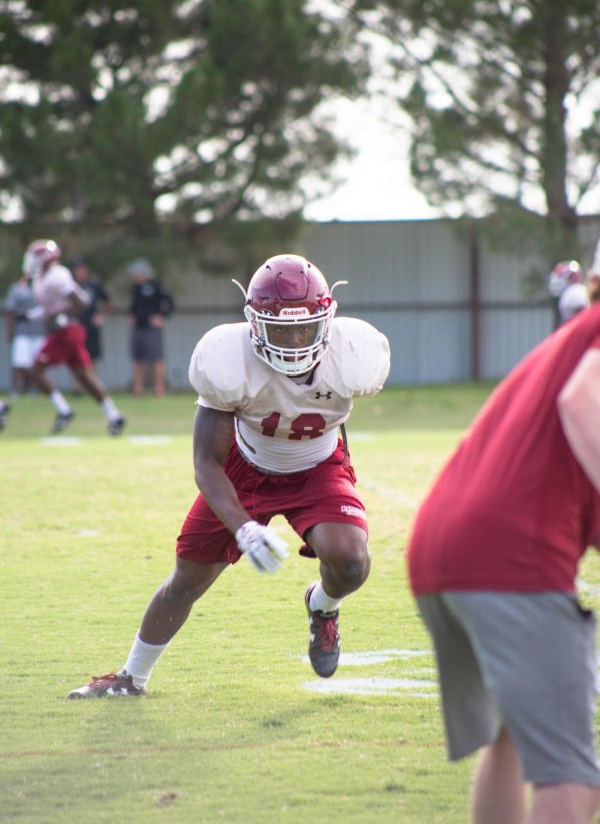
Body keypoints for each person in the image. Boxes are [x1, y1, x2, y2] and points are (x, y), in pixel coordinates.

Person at [67, 253, 391, 699]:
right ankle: (132, 676)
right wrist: (243, 528)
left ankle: (323, 607)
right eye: (280, 329)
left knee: (352, 562)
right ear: (254, 323)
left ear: (327, 321)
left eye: (304, 328)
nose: (295, 341)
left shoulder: (354, 354)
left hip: (318, 466)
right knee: (186, 581)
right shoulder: (227, 358)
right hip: (243, 469)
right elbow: (206, 463)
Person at [406, 300, 600, 823]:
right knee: (571, 774)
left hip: (440, 547)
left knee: (511, 736)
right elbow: (583, 401)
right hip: (509, 558)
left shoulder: (568, 338)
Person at [22, 239, 126, 437]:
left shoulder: (56, 276)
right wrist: (30, 315)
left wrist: (62, 315)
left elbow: (81, 302)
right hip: (66, 331)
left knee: (35, 371)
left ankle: (63, 410)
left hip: (67, 331)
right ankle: (114, 415)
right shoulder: (41, 278)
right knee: (84, 377)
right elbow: (48, 309)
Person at [127, 258, 174, 397]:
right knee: (138, 359)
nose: (135, 277)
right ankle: (138, 389)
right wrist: (131, 316)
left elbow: (170, 303)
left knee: (156, 358)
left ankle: (159, 388)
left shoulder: (156, 286)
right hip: (138, 328)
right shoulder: (135, 288)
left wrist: (162, 317)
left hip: (152, 329)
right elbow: (134, 306)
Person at [4, 272, 46, 396]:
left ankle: (33, 389)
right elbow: (10, 311)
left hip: (38, 331)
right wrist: (10, 331)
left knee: (37, 363)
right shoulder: (16, 289)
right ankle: (15, 390)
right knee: (19, 362)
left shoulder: (41, 287)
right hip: (21, 331)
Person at [70, 255, 112, 373]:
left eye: (82, 268)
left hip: (91, 325)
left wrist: (101, 316)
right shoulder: (71, 285)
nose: (80, 272)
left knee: (92, 356)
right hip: (76, 324)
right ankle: (77, 386)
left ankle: (92, 382)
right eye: (77, 269)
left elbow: (108, 302)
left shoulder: (94, 285)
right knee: (76, 356)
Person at [547, 259, 589, 324]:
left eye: (560, 276)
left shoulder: (575, 292)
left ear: (569, 277)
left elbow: (583, 318)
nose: (555, 281)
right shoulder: (571, 292)